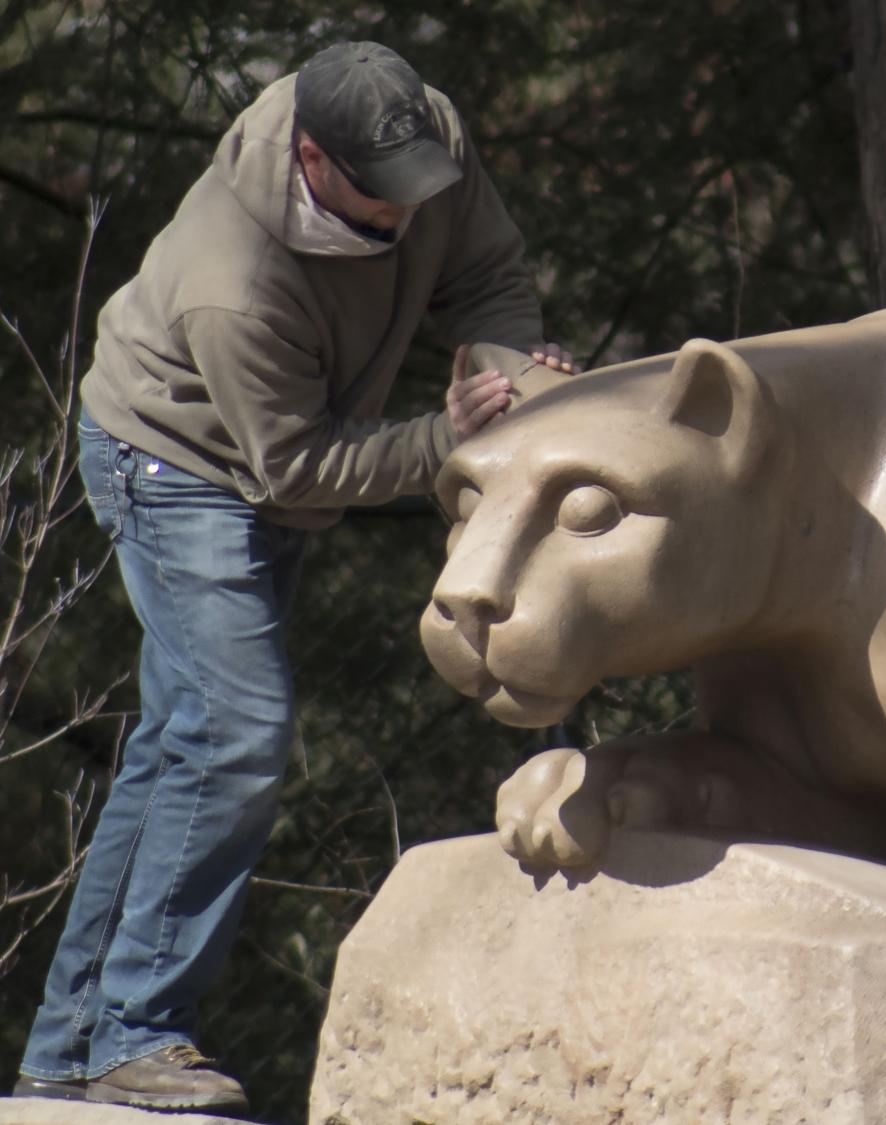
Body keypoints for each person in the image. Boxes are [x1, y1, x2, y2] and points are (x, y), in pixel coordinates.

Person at [12, 41, 570, 1114]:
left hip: (271, 460)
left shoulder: (424, 140)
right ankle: (134, 1032)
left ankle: (74, 1044)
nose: (405, 217)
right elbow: (300, 469)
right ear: (312, 158)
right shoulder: (236, 278)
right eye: (378, 198)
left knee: (184, 747)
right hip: (176, 462)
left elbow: (490, 275)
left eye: (417, 192)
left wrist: (509, 379)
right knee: (236, 734)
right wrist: (447, 437)